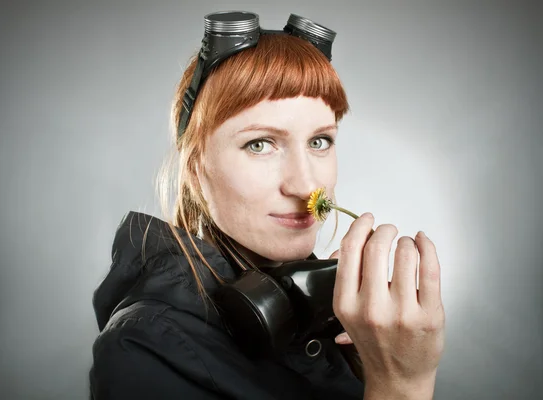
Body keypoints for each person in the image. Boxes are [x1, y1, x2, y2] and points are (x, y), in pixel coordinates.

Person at [89, 11, 445, 400]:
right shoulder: (141, 350)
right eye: (259, 144)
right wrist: (402, 384)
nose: (306, 184)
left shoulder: (333, 316)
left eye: (319, 141)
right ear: (195, 168)